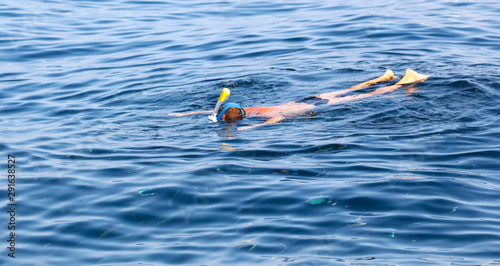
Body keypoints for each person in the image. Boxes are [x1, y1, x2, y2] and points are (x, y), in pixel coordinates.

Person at [169, 69, 429, 130]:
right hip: (305, 99)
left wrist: (256, 129)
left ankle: (406, 81)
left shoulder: (256, 115)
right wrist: (186, 114)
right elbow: (217, 110)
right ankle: (384, 76)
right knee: (349, 88)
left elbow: (278, 118)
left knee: (366, 97)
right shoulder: (246, 109)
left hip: (310, 105)